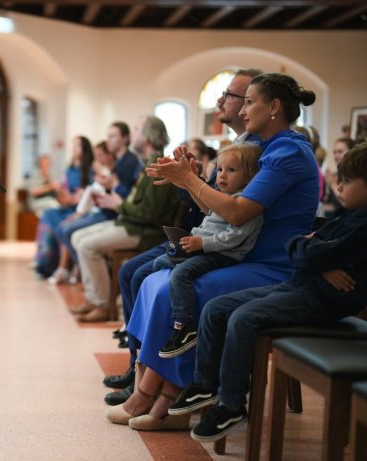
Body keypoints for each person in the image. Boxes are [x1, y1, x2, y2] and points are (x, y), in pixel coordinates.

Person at [106, 72, 318, 432]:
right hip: (243, 254)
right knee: (156, 280)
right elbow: (225, 209)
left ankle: (168, 400)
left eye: (250, 101)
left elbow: (237, 211)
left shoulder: (288, 151)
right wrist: (192, 178)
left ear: (275, 107)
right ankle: (149, 387)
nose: (245, 109)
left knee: (186, 286)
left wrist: (189, 181)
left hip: (272, 265)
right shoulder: (263, 148)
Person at [170, 142, 367, 442]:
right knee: (216, 308)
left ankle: (232, 404)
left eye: (348, 181)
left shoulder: (362, 225)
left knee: (243, 318)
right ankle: (205, 384)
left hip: (321, 301)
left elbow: (307, 251)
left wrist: (314, 255)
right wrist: (317, 257)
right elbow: (298, 246)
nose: (338, 186)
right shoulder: (346, 216)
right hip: (301, 285)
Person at [103, 68, 262, 406]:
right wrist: (191, 179)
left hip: (210, 242)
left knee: (146, 273)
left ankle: (154, 371)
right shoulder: (238, 147)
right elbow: (208, 207)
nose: (221, 99)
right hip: (198, 233)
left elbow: (230, 215)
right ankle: (138, 366)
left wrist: (190, 181)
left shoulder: (257, 153)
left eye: (235, 96)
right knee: (133, 271)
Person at [152, 143, 263, 358]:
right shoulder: (224, 197)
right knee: (159, 263)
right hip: (204, 247)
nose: (222, 176)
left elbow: (235, 237)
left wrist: (203, 244)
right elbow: (208, 209)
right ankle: (165, 312)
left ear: (250, 176)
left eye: (231, 170)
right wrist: (188, 184)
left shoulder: (247, 204)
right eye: (220, 169)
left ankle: (184, 326)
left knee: (181, 274)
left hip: (222, 255)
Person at [69, 116, 181, 322]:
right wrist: (117, 201)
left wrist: (118, 204)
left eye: (137, 130)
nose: (133, 135)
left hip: (145, 232)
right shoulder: (148, 163)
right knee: (77, 237)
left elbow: (149, 213)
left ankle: (102, 304)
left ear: (147, 136)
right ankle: (94, 299)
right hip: (132, 224)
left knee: (87, 246)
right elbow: (137, 203)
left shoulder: (159, 165)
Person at [48, 124, 141, 284]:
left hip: (114, 215)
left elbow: (124, 194)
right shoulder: (120, 161)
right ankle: (88, 275)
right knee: (64, 228)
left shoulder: (129, 161)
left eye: (113, 136)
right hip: (105, 210)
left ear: (125, 139)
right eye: (108, 135)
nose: (108, 139)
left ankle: (93, 280)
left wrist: (110, 185)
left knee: (70, 231)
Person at [33, 136, 93, 278]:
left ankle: (61, 267)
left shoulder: (90, 170)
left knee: (64, 224)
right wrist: (64, 195)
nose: (73, 148)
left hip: (81, 209)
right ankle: (43, 261)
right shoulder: (69, 169)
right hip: (67, 206)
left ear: (84, 149)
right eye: (73, 145)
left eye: (77, 145)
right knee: (48, 214)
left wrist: (77, 199)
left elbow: (90, 193)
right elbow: (63, 190)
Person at [323, 136, 356, 218]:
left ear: (351, 151)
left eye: (340, 151)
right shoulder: (336, 174)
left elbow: (350, 202)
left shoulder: (355, 174)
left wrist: (332, 184)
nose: (336, 156)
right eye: (334, 152)